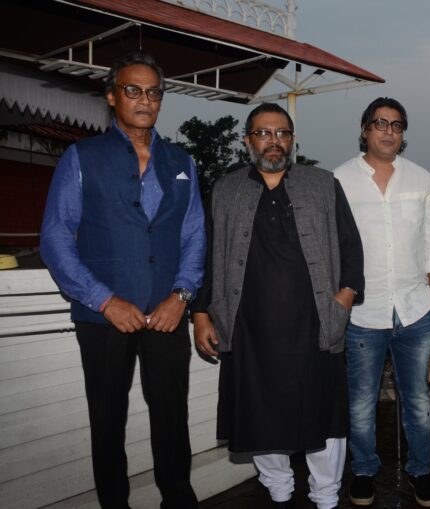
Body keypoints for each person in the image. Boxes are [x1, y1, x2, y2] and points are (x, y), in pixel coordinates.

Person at [40, 52, 204, 508]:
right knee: (108, 421)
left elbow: (194, 236)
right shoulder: (81, 157)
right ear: (112, 97)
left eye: (153, 92)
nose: (144, 100)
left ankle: (179, 500)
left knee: (173, 418)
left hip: (168, 315)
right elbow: (55, 239)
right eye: (133, 90)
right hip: (104, 318)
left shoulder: (182, 161)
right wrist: (104, 301)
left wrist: (182, 296)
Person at [191, 103, 364, 509]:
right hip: (249, 329)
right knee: (260, 414)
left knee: (324, 415)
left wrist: (343, 300)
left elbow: (351, 248)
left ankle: (325, 496)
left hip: (315, 325)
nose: (274, 141)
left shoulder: (323, 183)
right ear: (247, 140)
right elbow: (206, 254)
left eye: (282, 133)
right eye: (264, 133)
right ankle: (279, 491)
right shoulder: (225, 189)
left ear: (292, 139)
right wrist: (200, 313)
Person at [334, 97, 430, 507]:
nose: (388, 131)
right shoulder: (340, 179)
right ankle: (364, 470)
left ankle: (421, 470)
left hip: (415, 308)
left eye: (397, 125)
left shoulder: (420, 178)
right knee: (361, 401)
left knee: (416, 399)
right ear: (365, 129)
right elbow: (335, 245)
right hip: (363, 311)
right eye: (380, 123)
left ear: (403, 134)